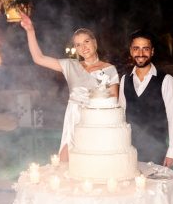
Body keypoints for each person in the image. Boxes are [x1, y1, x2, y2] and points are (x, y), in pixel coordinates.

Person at [19, 10, 119, 162]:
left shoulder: (110, 69)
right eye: (78, 45)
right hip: (74, 117)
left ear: (95, 43)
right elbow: (39, 58)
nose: (83, 47)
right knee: (65, 159)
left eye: (86, 41)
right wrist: (30, 30)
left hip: (97, 118)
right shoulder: (70, 65)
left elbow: (114, 100)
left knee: (93, 161)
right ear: (76, 49)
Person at [119, 29, 173, 167]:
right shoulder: (124, 79)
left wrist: (172, 151)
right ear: (131, 51)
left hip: (156, 150)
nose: (140, 54)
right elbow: (121, 115)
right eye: (136, 48)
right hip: (129, 150)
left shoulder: (166, 80)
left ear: (152, 51)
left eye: (145, 49)